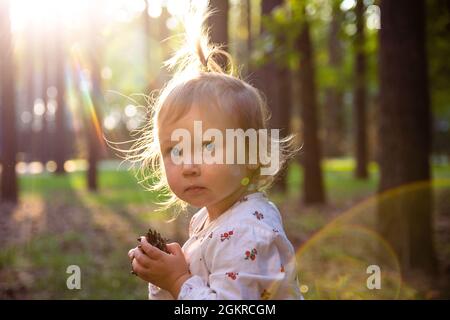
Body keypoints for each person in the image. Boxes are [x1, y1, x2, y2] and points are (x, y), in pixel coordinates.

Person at [126, 3, 302, 300]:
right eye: (175, 149)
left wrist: (178, 279)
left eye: (208, 146)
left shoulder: (248, 231)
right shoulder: (209, 219)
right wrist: (163, 273)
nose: (189, 165)